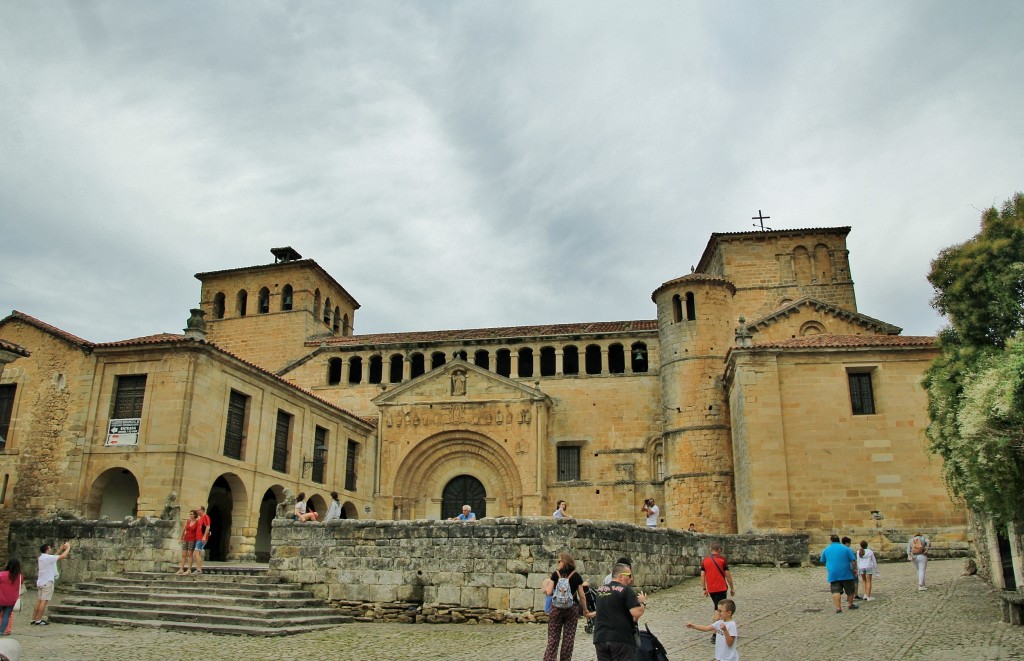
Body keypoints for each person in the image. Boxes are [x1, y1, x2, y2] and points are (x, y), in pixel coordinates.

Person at [542, 552, 592, 661]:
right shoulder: (576, 576)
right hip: (572, 608)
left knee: (553, 638)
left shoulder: (555, 574)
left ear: (564, 562)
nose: (557, 563)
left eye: (559, 561)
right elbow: (582, 596)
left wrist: (546, 590)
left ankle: (550, 658)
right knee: (568, 639)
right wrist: (585, 609)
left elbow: (549, 592)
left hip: (556, 608)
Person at [592, 562, 646, 661]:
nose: (631, 579)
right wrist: (642, 602)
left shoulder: (600, 590)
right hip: (620, 639)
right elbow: (636, 613)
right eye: (629, 575)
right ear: (621, 576)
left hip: (601, 637)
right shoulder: (626, 590)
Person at [701, 542, 735, 642]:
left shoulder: (705, 560)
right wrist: (732, 587)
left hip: (711, 589)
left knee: (717, 608)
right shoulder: (722, 560)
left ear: (710, 549)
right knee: (719, 610)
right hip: (721, 588)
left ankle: (719, 632)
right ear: (719, 550)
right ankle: (715, 634)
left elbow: (702, 575)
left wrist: (704, 588)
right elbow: (728, 575)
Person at [32, 541, 70, 625]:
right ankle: (38, 620)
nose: (50, 549)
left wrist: (60, 549)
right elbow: (63, 556)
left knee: (39, 600)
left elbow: (53, 557)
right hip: (47, 582)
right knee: (43, 601)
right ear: (47, 549)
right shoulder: (48, 558)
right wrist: (68, 548)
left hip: (41, 582)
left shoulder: (41, 558)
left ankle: (34, 618)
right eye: (49, 548)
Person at [820, 534, 858, 613]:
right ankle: (850, 604)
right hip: (846, 572)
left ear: (831, 540)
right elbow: (853, 560)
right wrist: (855, 569)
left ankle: (838, 608)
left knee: (835, 591)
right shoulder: (846, 548)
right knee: (850, 590)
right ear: (839, 540)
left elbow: (822, 560)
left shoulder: (826, 549)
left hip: (833, 573)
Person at [0, 559, 23, 636]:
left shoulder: (2, 575)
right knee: (6, 615)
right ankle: (1, 631)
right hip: (12, 599)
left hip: (1, 597)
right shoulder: (20, 576)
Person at [177, 510, 199, 575]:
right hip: (186, 538)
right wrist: (180, 538)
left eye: (191, 514)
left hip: (192, 540)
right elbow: (184, 530)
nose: (190, 515)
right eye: (190, 514)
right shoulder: (188, 521)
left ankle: (189, 569)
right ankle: (181, 569)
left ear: (195, 515)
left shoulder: (197, 522)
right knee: (183, 555)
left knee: (190, 554)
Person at [192, 505, 211, 575]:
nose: (197, 512)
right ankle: (198, 568)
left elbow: (207, 526)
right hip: (198, 538)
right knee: (197, 553)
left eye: (198, 510)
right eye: (197, 510)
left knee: (196, 553)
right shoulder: (200, 518)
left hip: (201, 538)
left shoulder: (205, 517)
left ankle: (199, 570)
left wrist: (204, 536)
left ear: (202, 510)